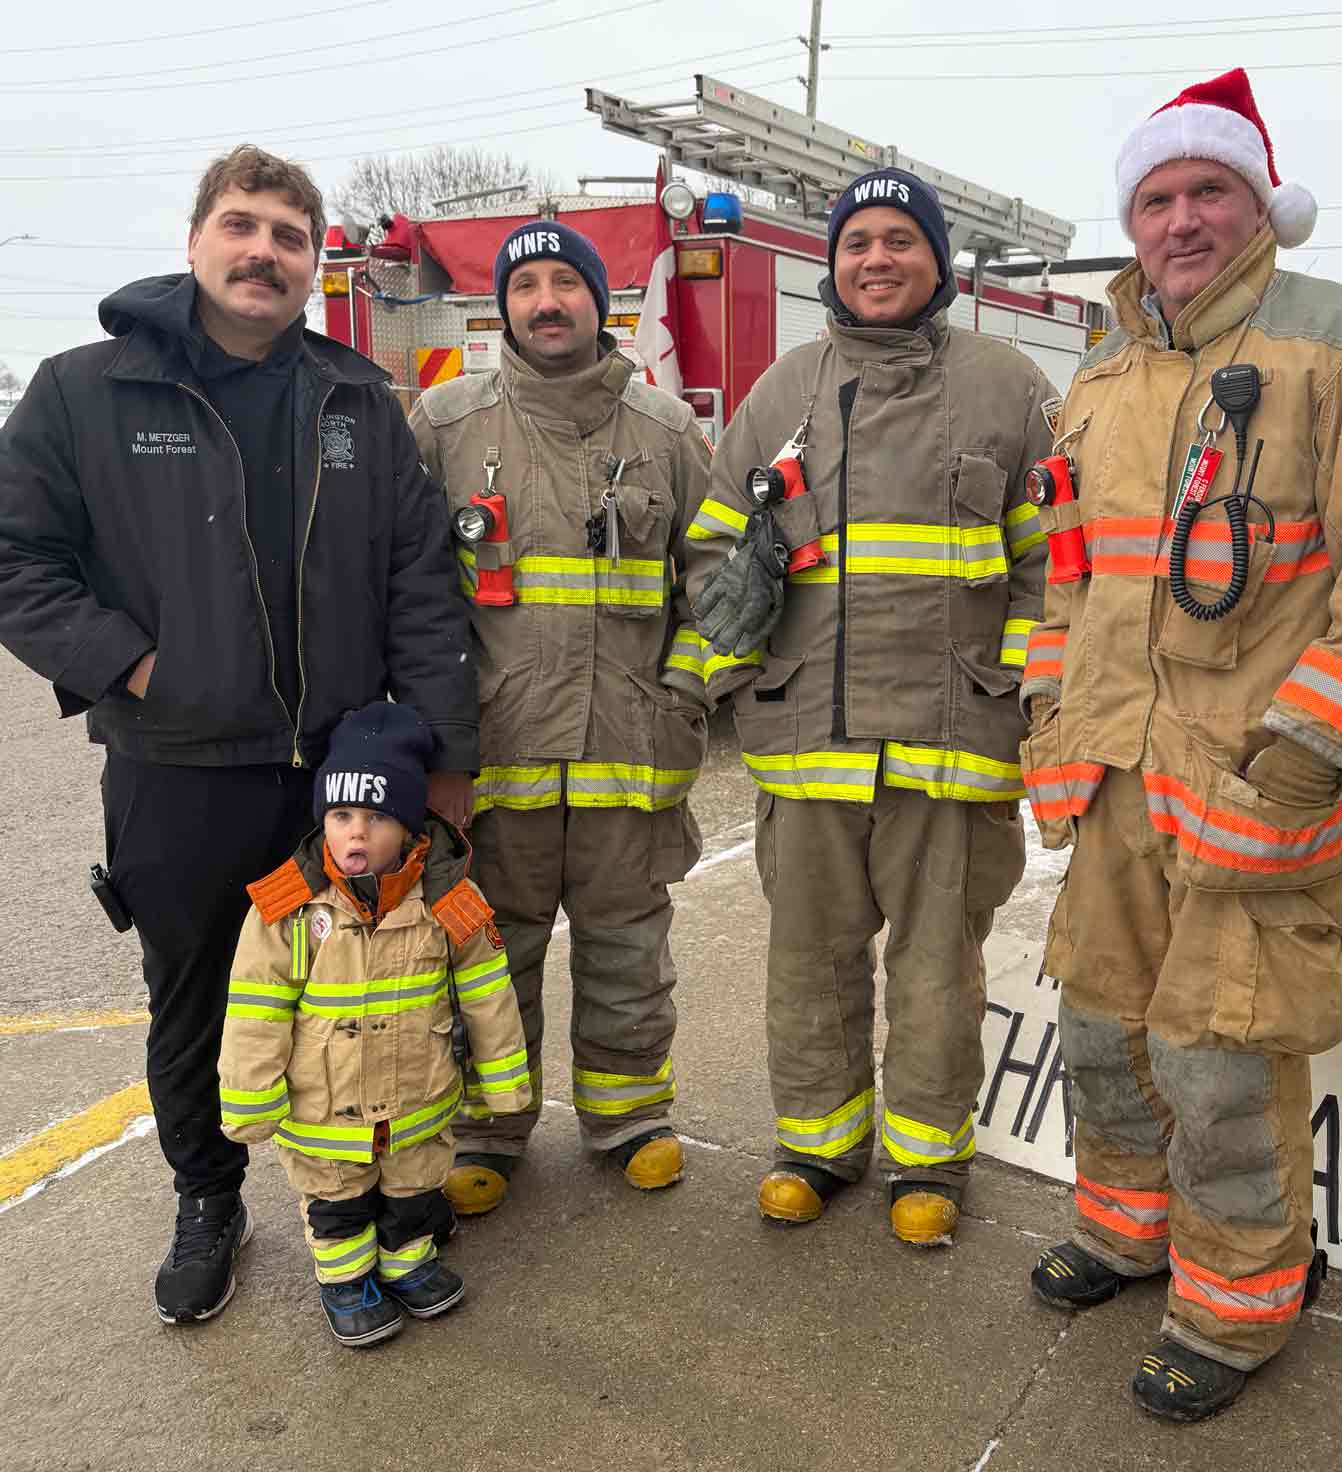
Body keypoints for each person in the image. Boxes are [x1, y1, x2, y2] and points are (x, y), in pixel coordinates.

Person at [1018, 69, 1342, 1421]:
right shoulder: (1099, 373)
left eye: (1210, 189)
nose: (1182, 218)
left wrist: (1311, 747)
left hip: (1251, 777)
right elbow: (1073, 575)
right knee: (1102, 1029)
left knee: (1222, 1054)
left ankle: (1238, 1300)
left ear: (1262, 203)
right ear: (1131, 221)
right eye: (1156, 197)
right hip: (1109, 775)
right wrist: (1049, 714)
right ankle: (1122, 1231)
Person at [0, 145, 476, 1324]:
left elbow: (421, 581)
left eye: (289, 235)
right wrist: (134, 664)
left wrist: (444, 754)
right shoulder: (81, 391)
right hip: (178, 767)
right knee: (196, 994)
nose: (264, 250)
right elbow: (16, 559)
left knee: (385, 984)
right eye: (241, 224)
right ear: (198, 238)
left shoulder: (359, 400)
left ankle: (380, 1190)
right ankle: (208, 1194)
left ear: (315, 263)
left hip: (343, 775)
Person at [678, 168, 1055, 1245]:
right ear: (829, 265)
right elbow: (712, 543)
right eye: (856, 242)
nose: (876, 258)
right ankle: (817, 1145)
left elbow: (1050, 569)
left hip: (952, 739)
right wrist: (733, 654)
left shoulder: (1009, 388)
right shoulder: (783, 390)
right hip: (808, 744)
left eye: (900, 239)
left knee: (938, 967)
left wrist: (1026, 698)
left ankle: (930, 1159)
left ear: (938, 263)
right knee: (808, 960)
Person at [409, 220, 715, 1215]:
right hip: (496, 758)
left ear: (601, 300)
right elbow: (409, 592)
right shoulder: (447, 423)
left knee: (629, 946)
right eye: (527, 284)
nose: (547, 301)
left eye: (566, 283)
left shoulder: (666, 431)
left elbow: (714, 583)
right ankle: (490, 1127)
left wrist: (681, 699)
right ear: (503, 305)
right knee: (491, 952)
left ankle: (627, 1116)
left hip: (632, 753)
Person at [218, 703, 530, 1346]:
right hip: (325, 1107)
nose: (356, 833)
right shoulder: (287, 909)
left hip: (417, 1096)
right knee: (338, 1200)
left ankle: (407, 1260)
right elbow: (255, 1009)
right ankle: (347, 1281)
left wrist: (503, 1084)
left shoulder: (449, 901)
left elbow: (487, 993)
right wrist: (251, 1101)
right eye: (341, 816)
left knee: (414, 1187)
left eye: (377, 817)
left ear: (411, 826)